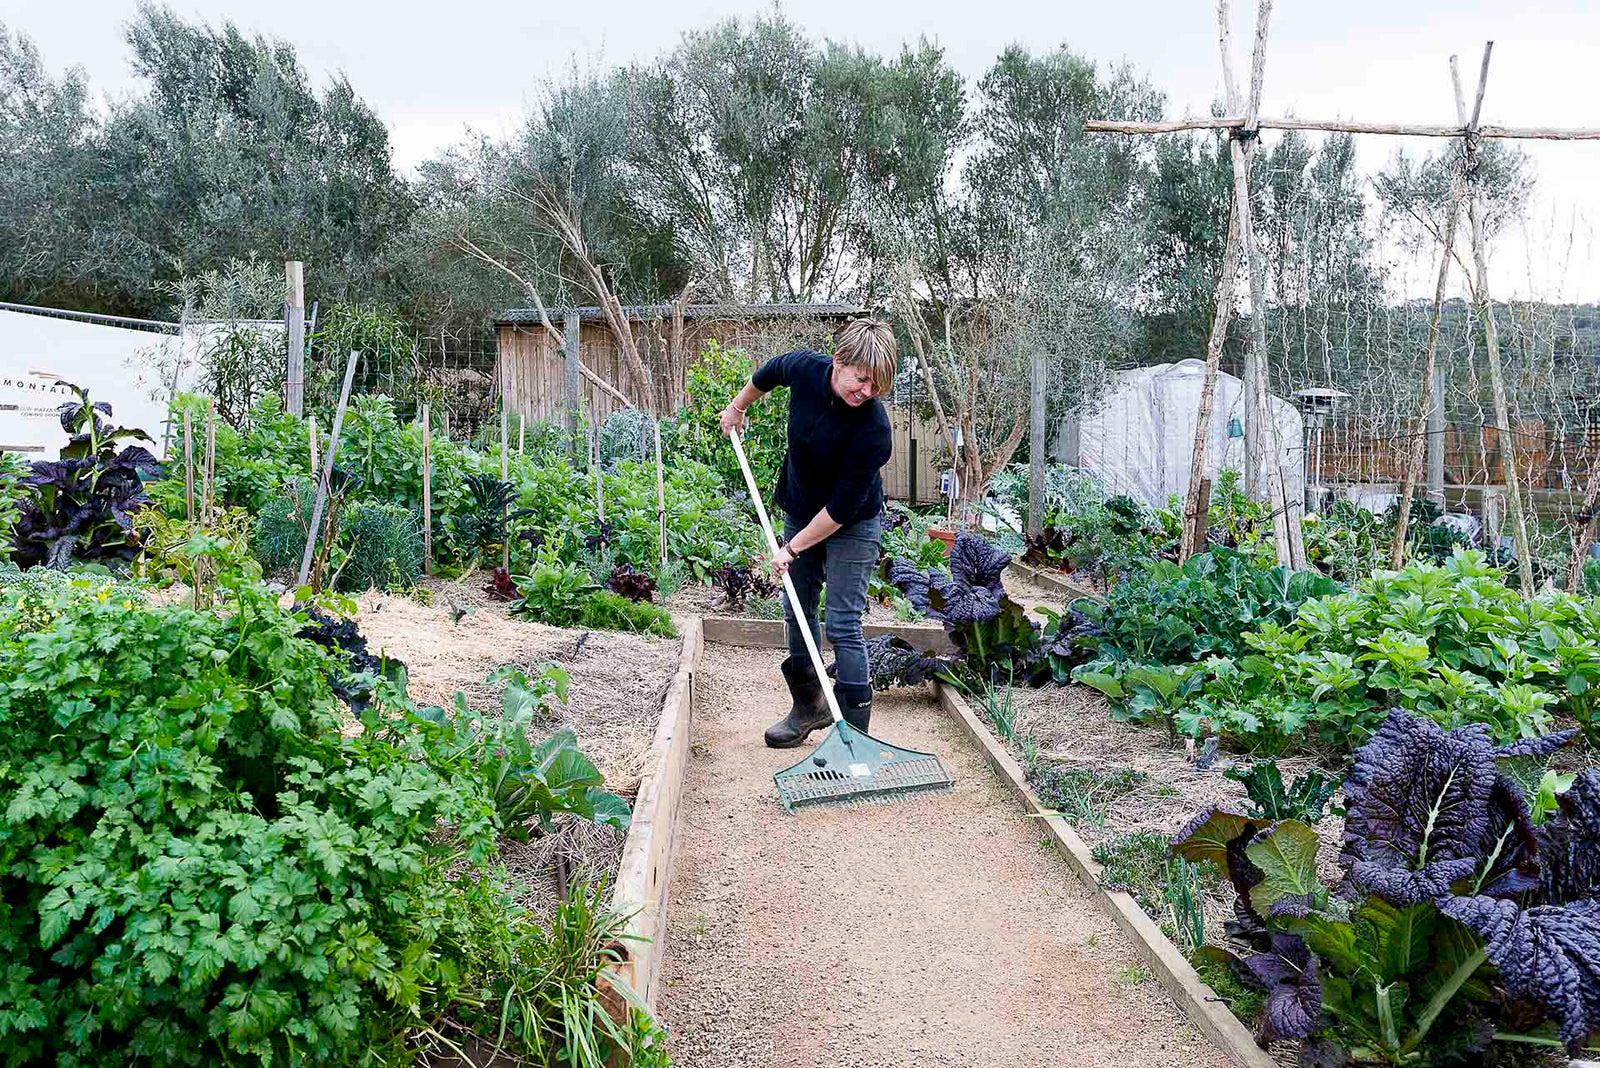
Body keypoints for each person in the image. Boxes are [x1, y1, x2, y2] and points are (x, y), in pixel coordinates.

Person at [718, 319, 897, 747]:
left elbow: (838, 511)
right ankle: (808, 708)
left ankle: (854, 738)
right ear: (838, 362)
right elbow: (767, 374)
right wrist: (738, 407)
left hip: (851, 523)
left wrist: (791, 549)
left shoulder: (874, 429)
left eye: (878, 386)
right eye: (862, 380)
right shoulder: (804, 369)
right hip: (800, 507)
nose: (868, 392)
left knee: (843, 622)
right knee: (796, 606)